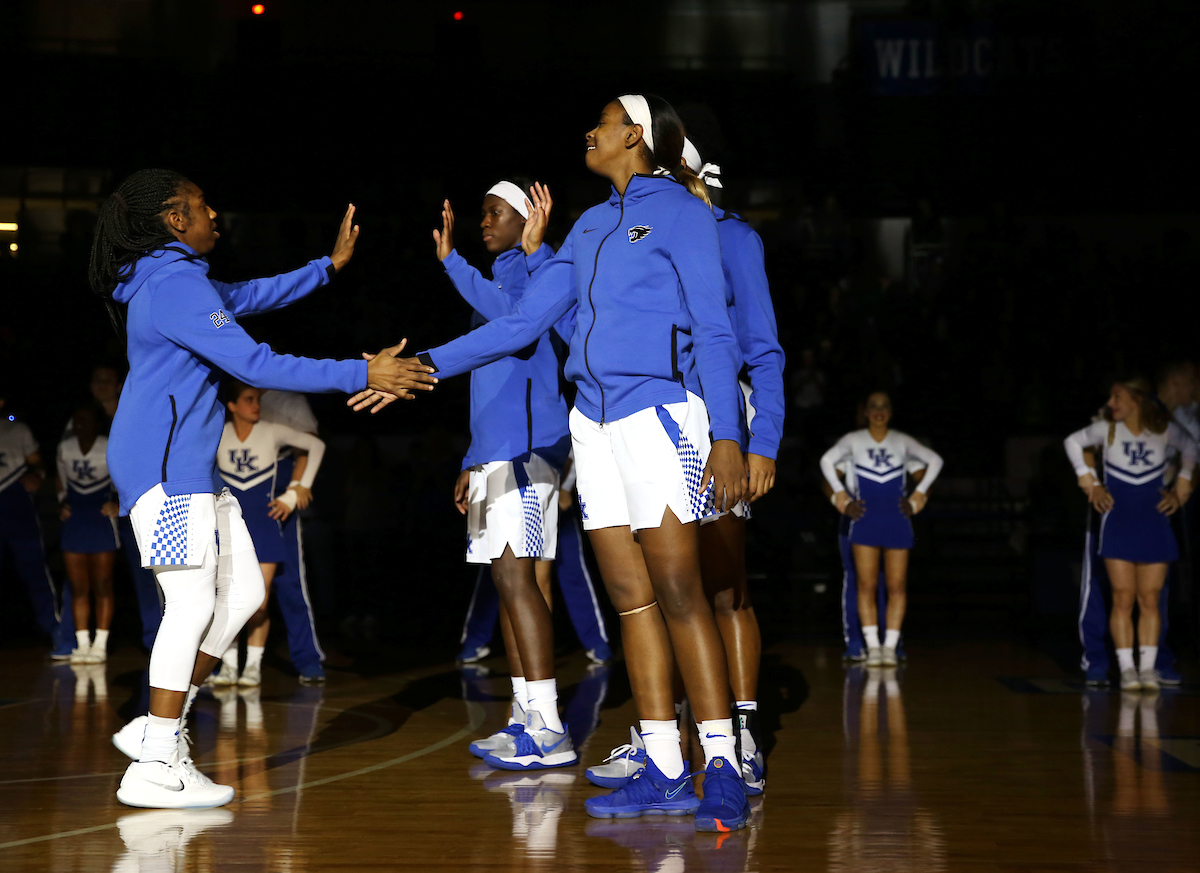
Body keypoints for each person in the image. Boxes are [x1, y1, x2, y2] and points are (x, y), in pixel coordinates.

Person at [353, 94, 751, 831]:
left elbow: (716, 329)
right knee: (632, 599)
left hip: (661, 415)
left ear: (634, 135)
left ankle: (722, 760)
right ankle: (665, 766)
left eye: (601, 122)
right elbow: (523, 323)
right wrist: (426, 366)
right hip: (592, 427)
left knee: (679, 591)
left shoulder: (685, 214)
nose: (588, 131)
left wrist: (727, 432)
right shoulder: (589, 225)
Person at [92, 167, 435, 809]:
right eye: (200, 205)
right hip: (165, 470)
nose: (213, 212)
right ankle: (158, 760)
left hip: (186, 465)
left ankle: (155, 725)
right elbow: (256, 363)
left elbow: (245, 296)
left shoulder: (179, 282)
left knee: (245, 592)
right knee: (190, 603)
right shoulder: (173, 287)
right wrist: (363, 369)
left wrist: (326, 268)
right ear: (174, 220)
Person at [435, 177, 575, 767]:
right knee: (509, 584)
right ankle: (525, 717)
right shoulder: (500, 275)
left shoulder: (527, 273)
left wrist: (450, 262)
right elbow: (490, 387)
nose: (484, 222)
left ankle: (547, 726)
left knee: (523, 582)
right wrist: (472, 458)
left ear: (526, 220)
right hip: (496, 452)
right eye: (482, 213)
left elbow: (515, 322)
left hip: (526, 452)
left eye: (496, 213)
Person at [1064, 377, 1194, 692]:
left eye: (1117, 396)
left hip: (1153, 520)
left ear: (1137, 399)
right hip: (1118, 520)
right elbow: (1072, 442)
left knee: (1149, 598)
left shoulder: (1164, 430)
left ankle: (1147, 669)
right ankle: (1127, 670)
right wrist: (1089, 480)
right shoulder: (1106, 429)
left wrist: (1182, 486)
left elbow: (1191, 446)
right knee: (1122, 597)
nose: (1111, 403)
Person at [210, 381, 326, 687]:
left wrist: (295, 491)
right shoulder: (218, 430)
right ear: (232, 404)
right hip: (232, 521)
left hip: (268, 517)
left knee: (266, 596)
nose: (255, 403)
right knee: (227, 599)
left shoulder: (277, 418)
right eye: (246, 399)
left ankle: (268, 665)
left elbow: (313, 445)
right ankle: (229, 665)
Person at [819, 392, 944, 667]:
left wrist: (919, 496)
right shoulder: (851, 444)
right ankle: (858, 645)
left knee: (894, 584)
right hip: (855, 518)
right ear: (863, 412)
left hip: (893, 519)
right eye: (871, 407)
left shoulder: (900, 443)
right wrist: (839, 499)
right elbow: (827, 478)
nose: (878, 412)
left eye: (884, 406)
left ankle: (892, 646)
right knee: (859, 583)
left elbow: (925, 471)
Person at [456, 451, 613, 668]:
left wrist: (565, 486)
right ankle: (477, 641)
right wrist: (469, 466)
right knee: (500, 573)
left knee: (555, 574)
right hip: (504, 485)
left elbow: (568, 443)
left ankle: (586, 644)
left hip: (543, 485)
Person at [259, 389, 327, 683]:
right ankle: (223, 663)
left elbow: (308, 444)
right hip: (237, 497)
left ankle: (307, 657)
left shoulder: (286, 398)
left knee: (289, 582)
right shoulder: (226, 395)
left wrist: (294, 489)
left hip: (277, 498)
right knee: (229, 585)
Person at [56, 403, 120, 663]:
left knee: (102, 584)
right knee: (79, 586)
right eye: (77, 419)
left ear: (96, 423)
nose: (81, 424)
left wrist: (118, 504)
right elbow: (61, 480)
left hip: (101, 515)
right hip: (76, 517)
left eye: (86, 419)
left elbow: (123, 478)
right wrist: (62, 503)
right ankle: (82, 645)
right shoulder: (65, 447)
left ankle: (100, 644)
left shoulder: (109, 445)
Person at [0, 390, 62, 651]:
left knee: (34, 568)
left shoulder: (17, 430)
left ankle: (56, 631)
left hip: (15, 501)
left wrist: (36, 475)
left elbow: (38, 465)